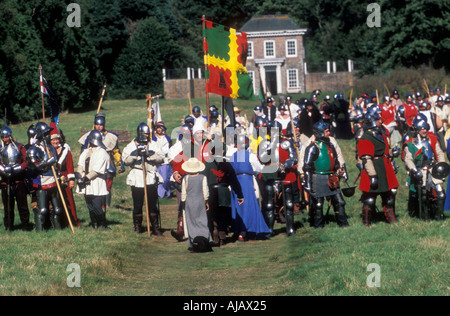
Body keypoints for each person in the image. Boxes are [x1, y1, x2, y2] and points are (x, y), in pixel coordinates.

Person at [357, 106, 400, 226]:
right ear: (372, 120)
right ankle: (366, 222)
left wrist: (392, 153)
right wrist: (373, 175)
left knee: (389, 195)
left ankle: (391, 219)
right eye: (378, 119)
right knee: (370, 198)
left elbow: (385, 151)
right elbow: (366, 158)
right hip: (373, 168)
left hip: (385, 167)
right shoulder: (366, 138)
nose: (381, 120)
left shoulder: (382, 133)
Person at [303, 121, 349, 228]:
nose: (329, 133)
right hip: (318, 178)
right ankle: (318, 226)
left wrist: (339, 169)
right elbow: (307, 167)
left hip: (332, 177)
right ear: (320, 132)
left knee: (340, 202)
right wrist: (308, 184)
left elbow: (336, 162)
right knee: (318, 205)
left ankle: (343, 223)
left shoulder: (331, 145)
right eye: (327, 131)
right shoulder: (312, 148)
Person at [123, 123, 165, 235]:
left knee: (152, 204)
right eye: (145, 134)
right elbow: (125, 160)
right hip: (137, 176)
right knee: (137, 204)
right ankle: (138, 227)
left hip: (150, 176)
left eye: (148, 134)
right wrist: (136, 154)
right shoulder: (131, 146)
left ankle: (155, 227)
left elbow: (161, 158)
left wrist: (148, 154)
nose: (146, 136)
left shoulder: (153, 144)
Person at [403, 115, 446, 220]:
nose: (424, 130)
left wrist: (441, 165)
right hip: (419, 171)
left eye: (425, 128)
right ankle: (425, 217)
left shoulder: (432, 140)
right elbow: (408, 159)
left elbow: (439, 153)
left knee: (440, 194)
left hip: (433, 169)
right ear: (416, 129)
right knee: (423, 195)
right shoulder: (410, 144)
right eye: (422, 128)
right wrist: (413, 170)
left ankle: (438, 216)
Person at [78, 112, 125, 209]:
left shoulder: (110, 136)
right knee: (93, 186)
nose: (99, 127)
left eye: (101, 125)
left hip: (107, 163)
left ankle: (107, 206)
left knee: (107, 186)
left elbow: (116, 151)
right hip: (92, 164)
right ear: (94, 124)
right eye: (97, 125)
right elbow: (83, 152)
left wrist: (120, 163)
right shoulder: (88, 136)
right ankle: (96, 206)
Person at [229, 134, 269, 241]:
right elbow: (258, 168)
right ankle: (248, 231)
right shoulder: (250, 155)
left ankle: (239, 231)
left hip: (235, 181)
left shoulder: (232, 156)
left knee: (238, 206)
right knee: (248, 206)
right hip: (246, 181)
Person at [26, 122, 61, 231]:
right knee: (43, 209)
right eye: (46, 133)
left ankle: (58, 228)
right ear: (40, 135)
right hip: (41, 180)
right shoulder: (33, 150)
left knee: (57, 209)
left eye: (48, 133)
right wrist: (49, 162)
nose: (48, 136)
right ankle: (40, 230)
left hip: (53, 179)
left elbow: (55, 164)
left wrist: (56, 166)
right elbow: (35, 167)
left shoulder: (50, 147)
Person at [76, 129, 111, 229]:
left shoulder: (102, 153)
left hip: (96, 181)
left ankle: (103, 224)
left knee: (96, 205)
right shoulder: (86, 151)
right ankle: (94, 224)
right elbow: (80, 165)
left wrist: (85, 178)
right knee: (90, 205)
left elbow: (96, 170)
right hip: (85, 182)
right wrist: (79, 176)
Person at [0, 126, 31, 231]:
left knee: (22, 205)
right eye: (3, 137)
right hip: (5, 181)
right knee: (8, 207)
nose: (5, 139)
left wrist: (18, 168)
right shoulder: (0, 148)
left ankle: (26, 226)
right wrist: (4, 169)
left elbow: (26, 161)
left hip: (19, 180)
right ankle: (9, 226)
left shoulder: (19, 147)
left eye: (7, 137)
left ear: (10, 136)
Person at [49, 123, 80, 227]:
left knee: (68, 200)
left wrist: (71, 180)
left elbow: (70, 166)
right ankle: (59, 223)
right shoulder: (48, 151)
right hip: (52, 179)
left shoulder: (66, 151)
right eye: (53, 140)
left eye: (57, 139)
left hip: (64, 178)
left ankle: (72, 221)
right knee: (56, 201)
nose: (55, 141)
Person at [181, 157, 212, 252]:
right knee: (202, 220)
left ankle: (194, 241)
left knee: (191, 222)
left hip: (190, 202)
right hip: (199, 201)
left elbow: (183, 193)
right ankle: (205, 239)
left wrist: (183, 202)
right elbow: (205, 192)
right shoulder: (203, 177)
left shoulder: (186, 178)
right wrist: (206, 201)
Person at [152, 121, 173, 199]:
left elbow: (169, 149)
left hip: (165, 161)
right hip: (156, 161)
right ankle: (160, 194)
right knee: (158, 178)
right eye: (157, 128)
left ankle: (167, 192)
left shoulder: (167, 139)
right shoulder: (153, 139)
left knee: (165, 178)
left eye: (160, 128)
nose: (159, 129)